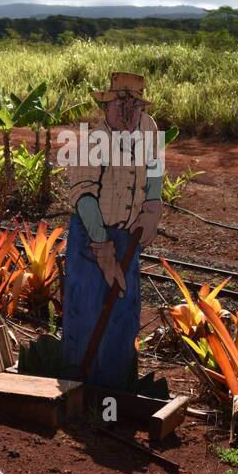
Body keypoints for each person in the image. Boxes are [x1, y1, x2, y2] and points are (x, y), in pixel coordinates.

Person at [59, 72, 165, 390]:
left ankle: (114, 389)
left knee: (123, 310)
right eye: (121, 103)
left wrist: (152, 207)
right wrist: (103, 250)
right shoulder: (93, 140)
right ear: (108, 105)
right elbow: (84, 196)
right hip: (90, 235)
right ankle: (78, 387)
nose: (128, 110)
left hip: (127, 237)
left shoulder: (149, 129)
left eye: (134, 103)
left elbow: (155, 170)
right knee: (88, 308)